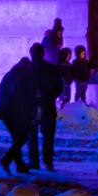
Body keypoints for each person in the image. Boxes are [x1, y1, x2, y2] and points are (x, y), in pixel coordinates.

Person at [0, 56, 38, 175]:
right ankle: (7, 160)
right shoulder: (18, 76)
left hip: (6, 110)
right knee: (22, 137)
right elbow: (18, 94)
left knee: (18, 137)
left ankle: (19, 164)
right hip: (11, 111)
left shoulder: (13, 74)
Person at [29, 42, 64, 171]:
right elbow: (59, 87)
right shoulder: (52, 69)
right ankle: (48, 161)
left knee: (32, 135)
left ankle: (34, 161)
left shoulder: (28, 69)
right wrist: (50, 96)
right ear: (43, 54)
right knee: (48, 136)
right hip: (48, 105)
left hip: (33, 106)